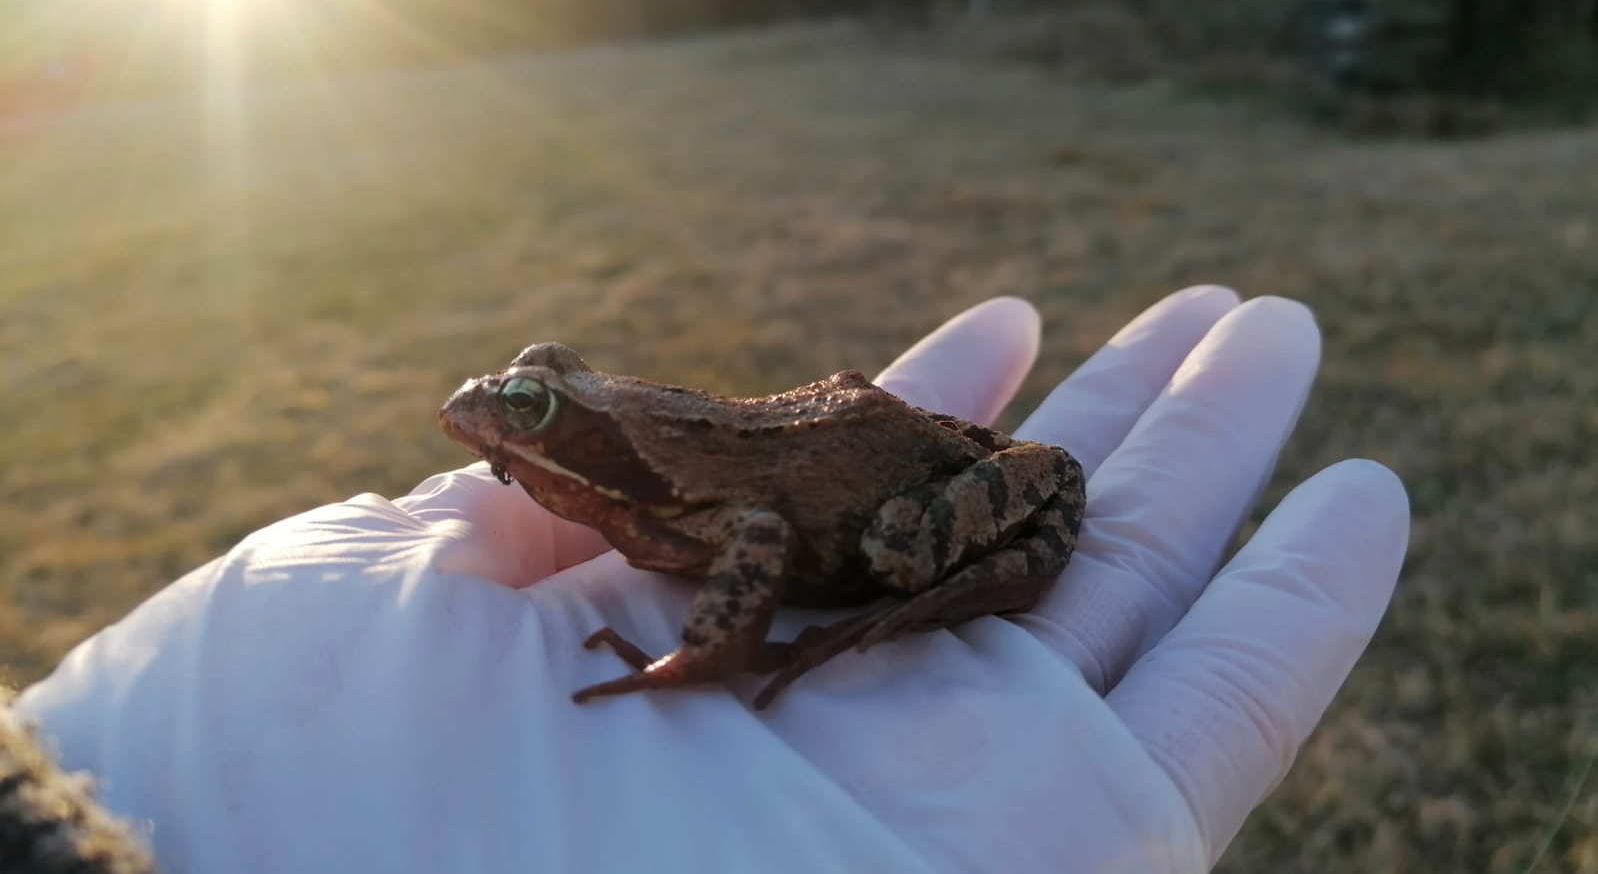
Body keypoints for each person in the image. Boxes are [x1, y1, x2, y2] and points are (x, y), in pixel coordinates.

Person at [7, 285, 1408, 873]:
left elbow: (745, 539)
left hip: (875, 490)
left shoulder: (675, 491)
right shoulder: (621, 473)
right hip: (827, 442)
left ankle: (920, 593)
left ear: (590, 423)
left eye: (536, 409)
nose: (497, 413)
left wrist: (714, 653)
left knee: (887, 550)